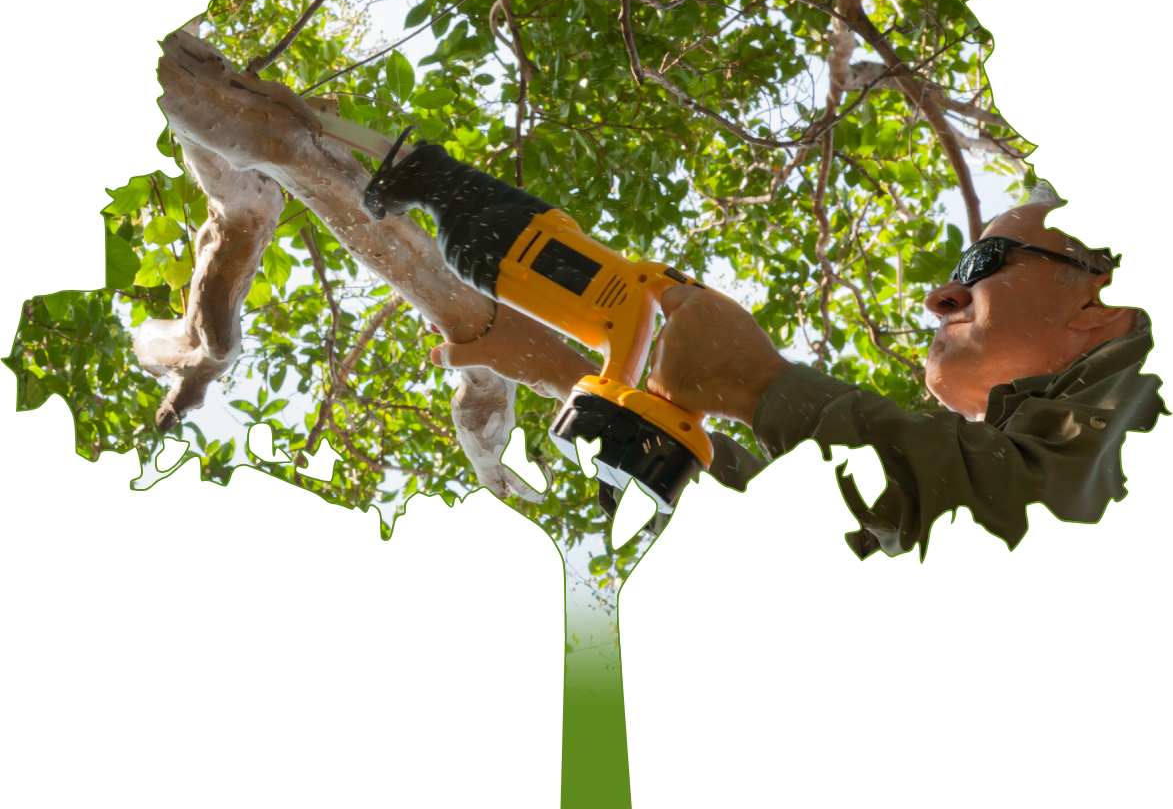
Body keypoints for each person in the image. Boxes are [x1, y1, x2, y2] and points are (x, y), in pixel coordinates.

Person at [428, 184, 1165, 558]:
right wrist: (568, 366)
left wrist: (759, 384)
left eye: (982, 264)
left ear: (1099, 307)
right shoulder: (1056, 452)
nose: (941, 295)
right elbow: (855, 525)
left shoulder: (1149, 390)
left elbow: (1011, 514)